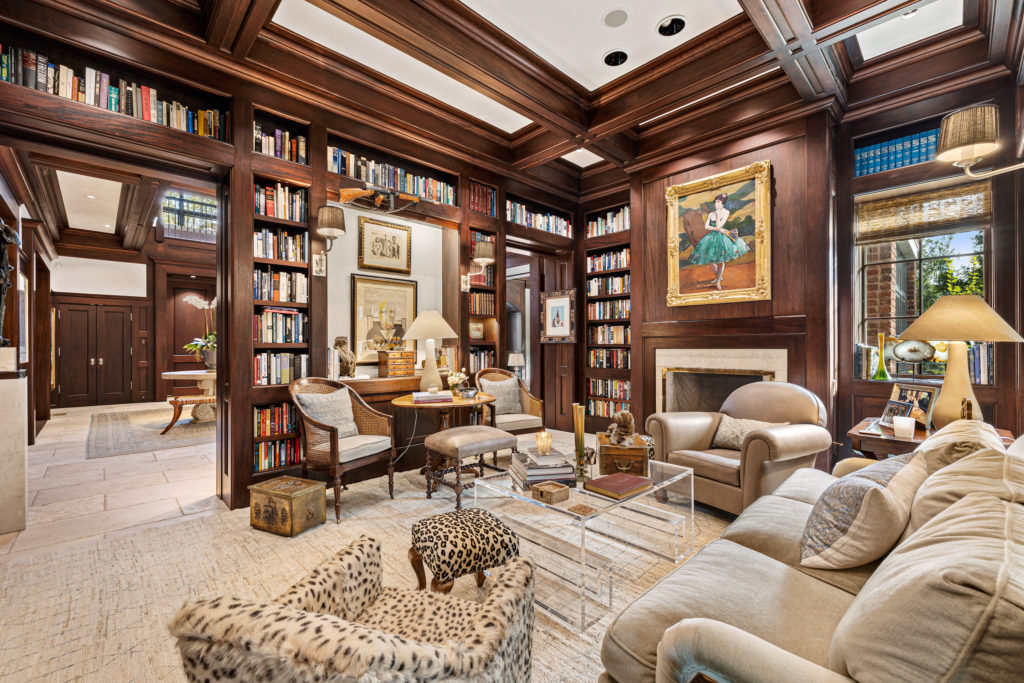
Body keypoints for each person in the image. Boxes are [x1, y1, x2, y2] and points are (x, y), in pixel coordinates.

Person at [688, 192, 748, 290]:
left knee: (721, 260)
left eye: (718, 202)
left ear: (722, 203)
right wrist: (718, 227)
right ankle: (718, 277)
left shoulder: (726, 212)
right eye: (715, 202)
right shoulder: (711, 213)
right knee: (710, 261)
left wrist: (718, 216)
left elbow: (719, 225)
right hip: (711, 237)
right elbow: (706, 226)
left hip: (721, 238)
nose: (716, 204)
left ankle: (718, 281)